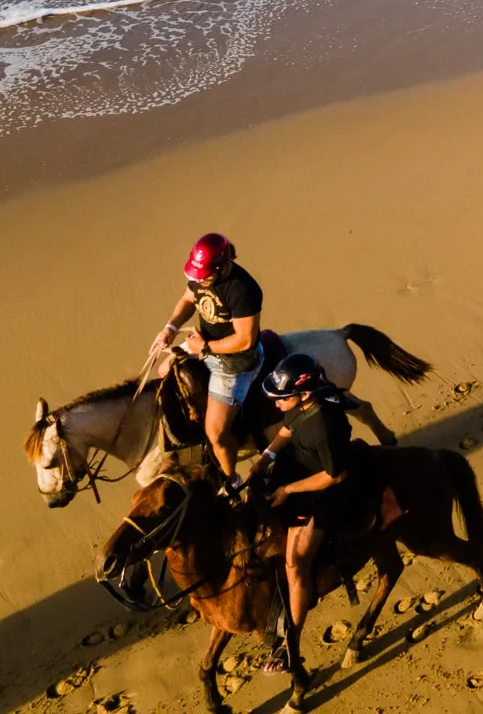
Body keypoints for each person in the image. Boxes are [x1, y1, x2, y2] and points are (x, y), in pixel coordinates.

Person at [248, 353, 354, 646]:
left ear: (304, 394)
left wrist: (287, 491)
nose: (276, 403)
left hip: (318, 495)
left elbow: (334, 476)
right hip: (291, 478)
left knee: (295, 564)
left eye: (282, 398)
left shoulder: (324, 425)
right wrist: (265, 458)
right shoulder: (297, 407)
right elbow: (287, 429)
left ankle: (290, 641)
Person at [148, 232, 263, 480]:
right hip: (203, 344)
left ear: (223, 266)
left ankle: (230, 479)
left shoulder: (243, 290)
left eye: (205, 276)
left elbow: (245, 340)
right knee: (164, 371)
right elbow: (188, 299)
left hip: (234, 362)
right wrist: (170, 328)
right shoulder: (200, 278)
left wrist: (206, 348)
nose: (200, 281)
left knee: (216, 434)